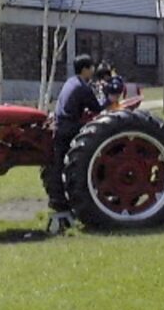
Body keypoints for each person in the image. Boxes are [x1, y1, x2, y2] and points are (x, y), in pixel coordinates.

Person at [43, 54, 101, 229]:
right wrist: (110, 99)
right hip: (69, 127)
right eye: (91, 67)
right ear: (85, 69)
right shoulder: (82, 88)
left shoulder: (70, 82)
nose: (93, 70)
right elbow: (97, 108)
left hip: (60, 125)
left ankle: (58, 199)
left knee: (57, 163)